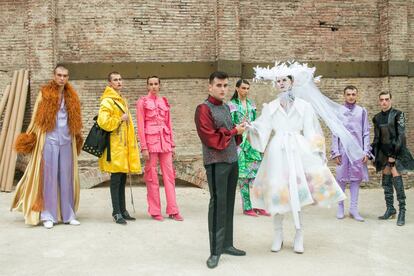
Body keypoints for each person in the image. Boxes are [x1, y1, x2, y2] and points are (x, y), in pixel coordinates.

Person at [248, 62, 351, 254]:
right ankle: (278, 234)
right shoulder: (270, 107)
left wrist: (319, 151)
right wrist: (252, 128)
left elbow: (311, 130)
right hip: (278, 152)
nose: (280, 83)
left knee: (297, 191)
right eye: (278, 80)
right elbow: (263, 127)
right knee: (278, 191)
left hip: (298, 149)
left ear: (292, 81)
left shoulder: (304, 106)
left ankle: (298, 234)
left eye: (284, 80)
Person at [11, 64, 83, 228]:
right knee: (48, 177)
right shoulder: (44, 93)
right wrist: (31, 136)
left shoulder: (72, 96)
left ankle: (68, 214)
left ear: (68, 77)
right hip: (49, 139)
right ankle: (48, 215)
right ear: (54, 75)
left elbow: (75, 121)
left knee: (66, 177)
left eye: (65, 76)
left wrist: (76, 137)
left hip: (66, 140)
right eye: (59, 75)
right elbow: (37, 118)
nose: (62, 78)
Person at [194, 71, 246, 269]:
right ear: (210, 87)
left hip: (232, 160)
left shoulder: (225, 107)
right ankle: (215, 251)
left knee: (229, 202)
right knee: (217, 204)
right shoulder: (203, 109)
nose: (223, 89)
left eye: (225, 85)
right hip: (216, 162)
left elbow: (229, 133)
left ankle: (226, 244)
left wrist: (238, 129)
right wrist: (234, 131)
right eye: (219, 85)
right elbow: (211, 138)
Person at [136, 76, 182, 222]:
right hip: (150, 143)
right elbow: (141, 125)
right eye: (151, 84)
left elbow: (169, 124)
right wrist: (143, 147)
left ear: (160, 85)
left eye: (156, 84)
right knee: (152, 176)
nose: (154, 86)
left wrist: (172, 144)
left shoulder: (164, 102)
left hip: (165, 142)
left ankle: (173, 210)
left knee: (170, 176)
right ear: (147, 86)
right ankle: (155, 211)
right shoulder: (142, 102)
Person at [98, 72, 141, 225]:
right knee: (116, 180)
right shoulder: (107, 101)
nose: (119, 82)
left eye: (120, 79)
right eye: (115, 80)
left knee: (122, 179)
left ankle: (123, 210)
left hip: (123, 147)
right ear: (109, 83)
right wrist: (119, 119)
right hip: (115, 148)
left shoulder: (121, 99)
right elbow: (103, 121)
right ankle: (116, 212)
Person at [227, 79, 269, 217]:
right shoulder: (231, 105)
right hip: (239, 142)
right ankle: (247, 207)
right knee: (243, 176)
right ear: (237, 88)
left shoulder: (251, 104)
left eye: (247, 88)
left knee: (258, 175)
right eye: (243, 88)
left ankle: (260, 205)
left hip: (252, 142)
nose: (245, 91)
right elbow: (229, 125)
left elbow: (255, 121)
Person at [372, 92, 414, 226]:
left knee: (397, 179)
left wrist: (393, 156)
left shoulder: (398, 114)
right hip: (383, 154)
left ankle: (402, 210)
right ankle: (390, 209)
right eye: (382, 100)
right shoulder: (377, 118)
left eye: (387, 99)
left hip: (396, 152)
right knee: (386, 182)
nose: (384, 102)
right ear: (379, 101)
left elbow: (401, 136)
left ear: (390, 100)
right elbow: (377, 138)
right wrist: (372, 154)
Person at [330, 86, 371, 221]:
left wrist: (365, 151)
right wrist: (336, 153)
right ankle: (340, 206)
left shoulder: (362, 111)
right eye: (348, 94)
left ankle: (353, 209)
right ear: (344, 95)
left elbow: (366, 132)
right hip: (343, 150)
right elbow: (335, 133)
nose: (351, 96)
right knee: (341, 179)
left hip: (357, 151)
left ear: (356, 95)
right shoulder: (339, 112)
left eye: (353, 94)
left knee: (356, 179)